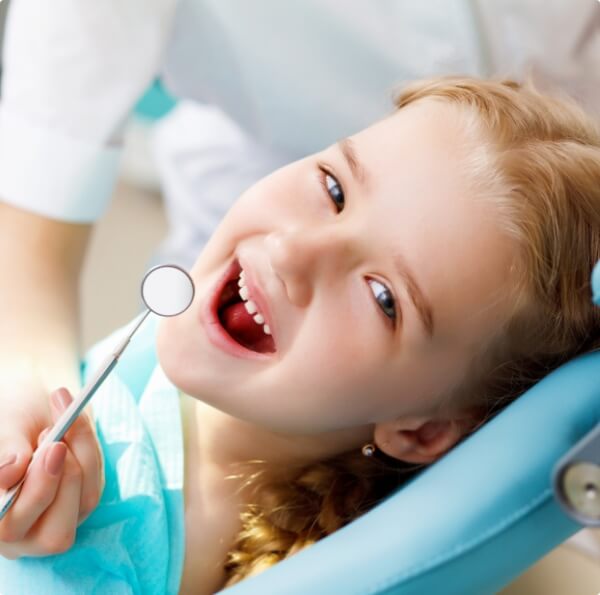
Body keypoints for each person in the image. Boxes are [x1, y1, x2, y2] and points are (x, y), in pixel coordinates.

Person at [0, 76, 598, 594]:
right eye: (334, 189)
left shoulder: (88, 556)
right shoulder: (186, 373)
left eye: (382, 297)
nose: (290, 251)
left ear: (423, 429)